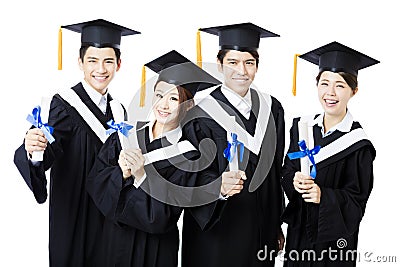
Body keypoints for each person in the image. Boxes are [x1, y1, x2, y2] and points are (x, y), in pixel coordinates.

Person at [13, 19, 140, 267]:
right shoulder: (62, 105)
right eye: (92, 61)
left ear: (119, 64)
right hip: (74, 214)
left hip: (110, 218)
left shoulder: (120, 111)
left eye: (108, 61)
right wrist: (33, 149)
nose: (100, 69)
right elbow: (45, 154)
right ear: (80, 62)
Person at [86, 50, 221, 267]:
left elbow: (162, 218)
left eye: (173, 98)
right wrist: (120, 173)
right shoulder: (125, 137)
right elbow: (95, 185)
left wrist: (141, 176)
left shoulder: (188, 156)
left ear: (188, 106)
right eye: (159, 95)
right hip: (114, 244)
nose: (163, 105)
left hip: (156, 251)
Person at [181, 22, 286, 267]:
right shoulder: (199, 113)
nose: (242, 70)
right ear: (219, 65)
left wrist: (275, 224)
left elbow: (274, 173)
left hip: (260, 230)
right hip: (217, 232)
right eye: (233, 62)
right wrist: (218, 188)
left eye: (249, 63)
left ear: (257, 67)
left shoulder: (273, 109)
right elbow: (189, 176)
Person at [281, 41, 379, 266]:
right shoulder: (301, 127)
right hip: (298, 240)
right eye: (324, 83)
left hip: (334, 247)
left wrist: (323, 196)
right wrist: (293, 181)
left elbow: (357, 201)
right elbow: (287, 170)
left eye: (340, 86)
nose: (330, 93)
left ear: (354, 91)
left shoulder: (358, 144)